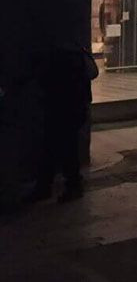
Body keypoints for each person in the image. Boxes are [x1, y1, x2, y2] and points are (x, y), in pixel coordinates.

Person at [29, 42, 97, 203]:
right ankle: (67, 186)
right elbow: (91, 75)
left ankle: (50, 187)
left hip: (61, 109)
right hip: (73, 109)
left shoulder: (56, 59)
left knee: (55, 149)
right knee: (65, 149)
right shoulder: (78, 56)